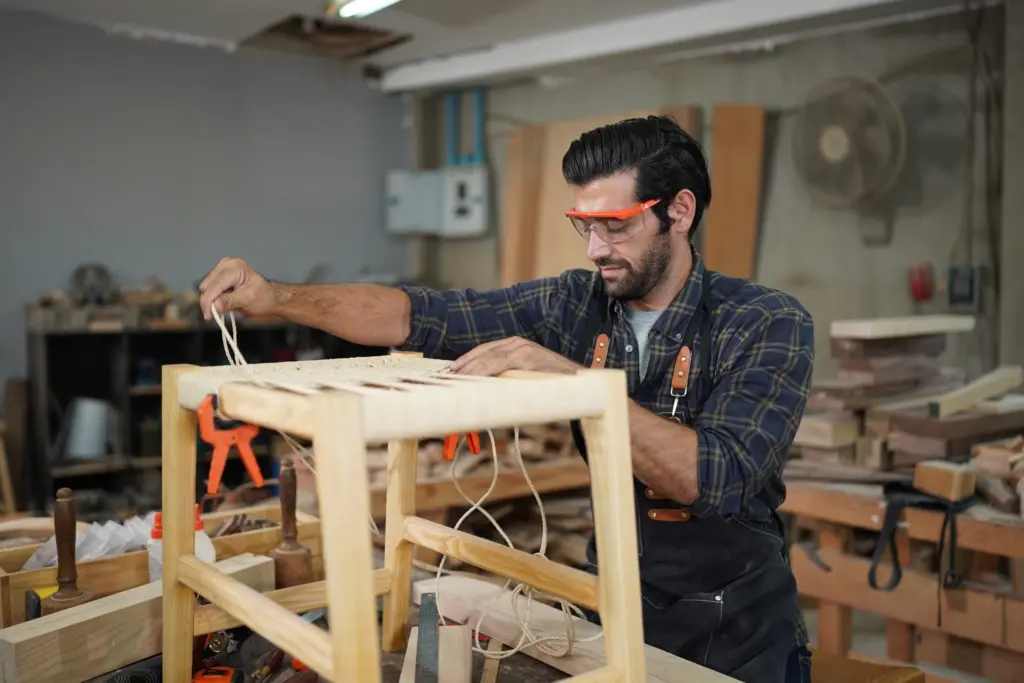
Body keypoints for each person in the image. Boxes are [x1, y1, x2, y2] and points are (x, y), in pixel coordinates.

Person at [198, 115, 814, 683]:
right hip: (613, 605)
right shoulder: (576, 302)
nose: (595, 248)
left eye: (617, 225)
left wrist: (574, 383)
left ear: (679, 211)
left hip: (739, 632)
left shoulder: (765, 321)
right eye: (585, 225)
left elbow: (712, 477)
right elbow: (420, 315)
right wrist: (277, 297)